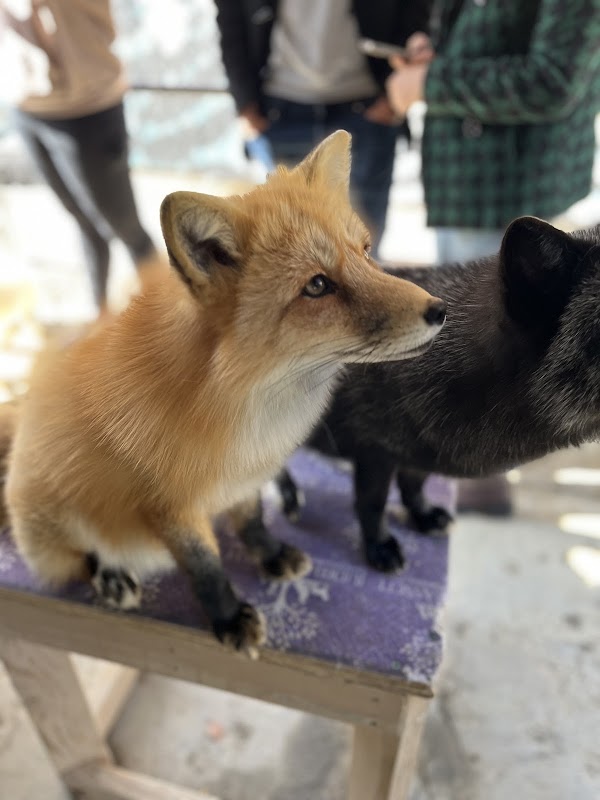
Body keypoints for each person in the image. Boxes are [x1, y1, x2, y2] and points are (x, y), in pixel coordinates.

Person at [385, 0, 600, 514]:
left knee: (487, 344)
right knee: (471, 335)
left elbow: (552, 78)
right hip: (468, 179)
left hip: (504, 184)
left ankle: (478, 484)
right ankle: (468, 478)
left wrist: (430, 83)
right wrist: (437, 54)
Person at [215, 0, 433, 255]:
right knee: (287, 257)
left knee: (363, 255)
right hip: (279, 114)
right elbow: (231, 21)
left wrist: (390, 100)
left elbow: (417, 11)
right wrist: (246, 107)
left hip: (366, 111)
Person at [0, 0, 160, 317]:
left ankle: (164, 324)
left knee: (126, 228)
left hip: (88, 107)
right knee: (84, 222)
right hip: (26, 102)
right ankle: (99, 317)